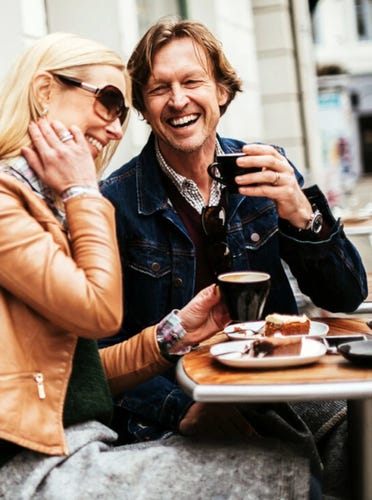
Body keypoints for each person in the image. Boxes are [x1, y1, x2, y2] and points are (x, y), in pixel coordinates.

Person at [0, 32, 313, 499]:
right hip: (17, 469)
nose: (115, 129)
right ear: (44, 92)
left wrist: (176, 331)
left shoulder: (45, 208)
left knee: (286, 454)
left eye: (123, 113)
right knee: (283, 473)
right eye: (108, 102)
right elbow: (100, 313)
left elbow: (85, 373)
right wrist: (84, 190)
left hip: (76, 447)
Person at [99, 17, 368, 497]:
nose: (178, 100)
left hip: (278, 383)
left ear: (222, 91)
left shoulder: (266, 168)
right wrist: (182, 410)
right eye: (160, 88)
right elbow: (101, 355)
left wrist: (302, 213)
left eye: (192, 81)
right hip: (178, 403)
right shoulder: (114, 202)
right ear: (143, 105)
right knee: (281, 469)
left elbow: (346, 296)